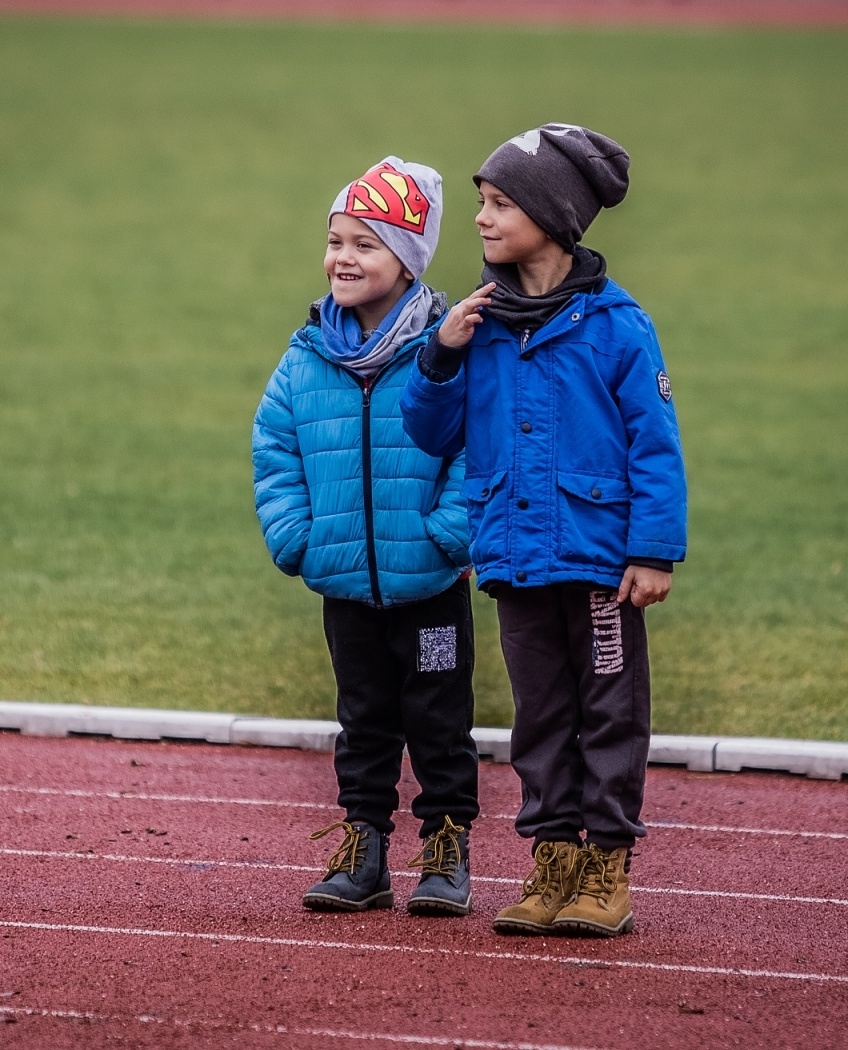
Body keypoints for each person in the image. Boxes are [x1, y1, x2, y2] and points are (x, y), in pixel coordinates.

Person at [400, 124, 686, 937]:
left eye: (501, 204)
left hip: (601, 564)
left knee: (610, 714)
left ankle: (606, 871)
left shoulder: (619, 326)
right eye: (483, 203)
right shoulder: (479, 323)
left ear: (555, 216)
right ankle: (552, 861)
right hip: (514, 558)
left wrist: (654, 550)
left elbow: (656, 446)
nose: (483, 220)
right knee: (541, 716)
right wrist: (440, 357)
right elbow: (432, 432)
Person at [252, 157, 480, 917]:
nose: (343, 258)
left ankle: (446, 848)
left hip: (432, 590)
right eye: (336, 240)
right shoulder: (307, 356)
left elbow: (476, 452)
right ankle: (365, 848)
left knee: (440, 720)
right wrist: (297, 538)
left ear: (407, 260)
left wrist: (449, 536)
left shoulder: (445, 351)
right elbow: (274, 447)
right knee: (364, 720)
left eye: (366, 244)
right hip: (345, 585)